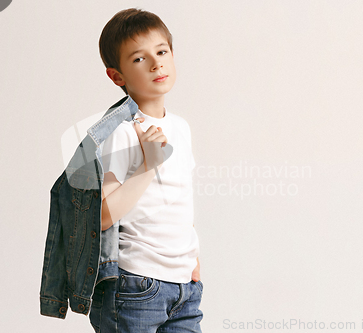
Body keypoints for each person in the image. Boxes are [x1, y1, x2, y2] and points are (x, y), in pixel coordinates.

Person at [89, 8, 203, 333]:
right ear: (117, 76)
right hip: (137, 285)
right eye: (139, 59)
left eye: (162, 51)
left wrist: (193, 255)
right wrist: (147, 166)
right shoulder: (120, 131)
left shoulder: (181, 127)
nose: (156, 64)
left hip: (185, 286)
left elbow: (179, 196)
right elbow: (102, 215)